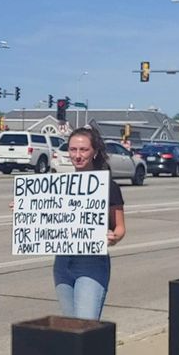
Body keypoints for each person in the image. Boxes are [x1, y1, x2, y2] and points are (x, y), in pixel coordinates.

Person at [53, 126, 126, 320]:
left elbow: (120, 227)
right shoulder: (59, 186)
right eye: (73, 149)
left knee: (84, 327)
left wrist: (113, 237)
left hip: (91, 263)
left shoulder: (108, 186)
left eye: (83, 149)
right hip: (62, 262)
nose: (77, 155)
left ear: (95, 152)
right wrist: (26, 206)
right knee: (69, 329)